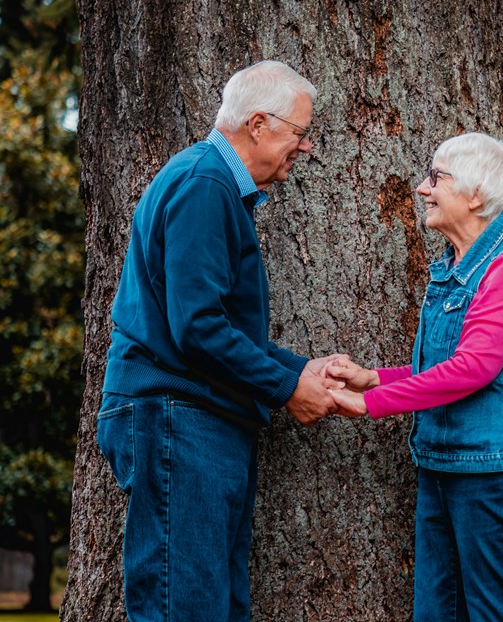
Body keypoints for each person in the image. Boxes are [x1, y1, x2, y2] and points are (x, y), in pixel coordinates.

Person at [96, 60, 345, 622]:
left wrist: (307, 371)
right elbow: (198, 331)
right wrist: (286, 388)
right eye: (300, 134)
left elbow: (215, 327)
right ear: (259, 124)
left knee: (217, 606)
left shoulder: (215, 187)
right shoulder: (205, 184)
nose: (304, 149)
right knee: (186, 609)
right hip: (177, 420)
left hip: (197, 419)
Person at [331, 131, 503, 622]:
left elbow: (475, 368)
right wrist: (376, 380)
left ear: (476, 195)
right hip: (448, 464)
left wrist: (372, 405)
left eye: (436, 177)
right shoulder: (456, 265)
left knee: (494, 614)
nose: (423, 188)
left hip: (496, 472)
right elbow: (447, 366)